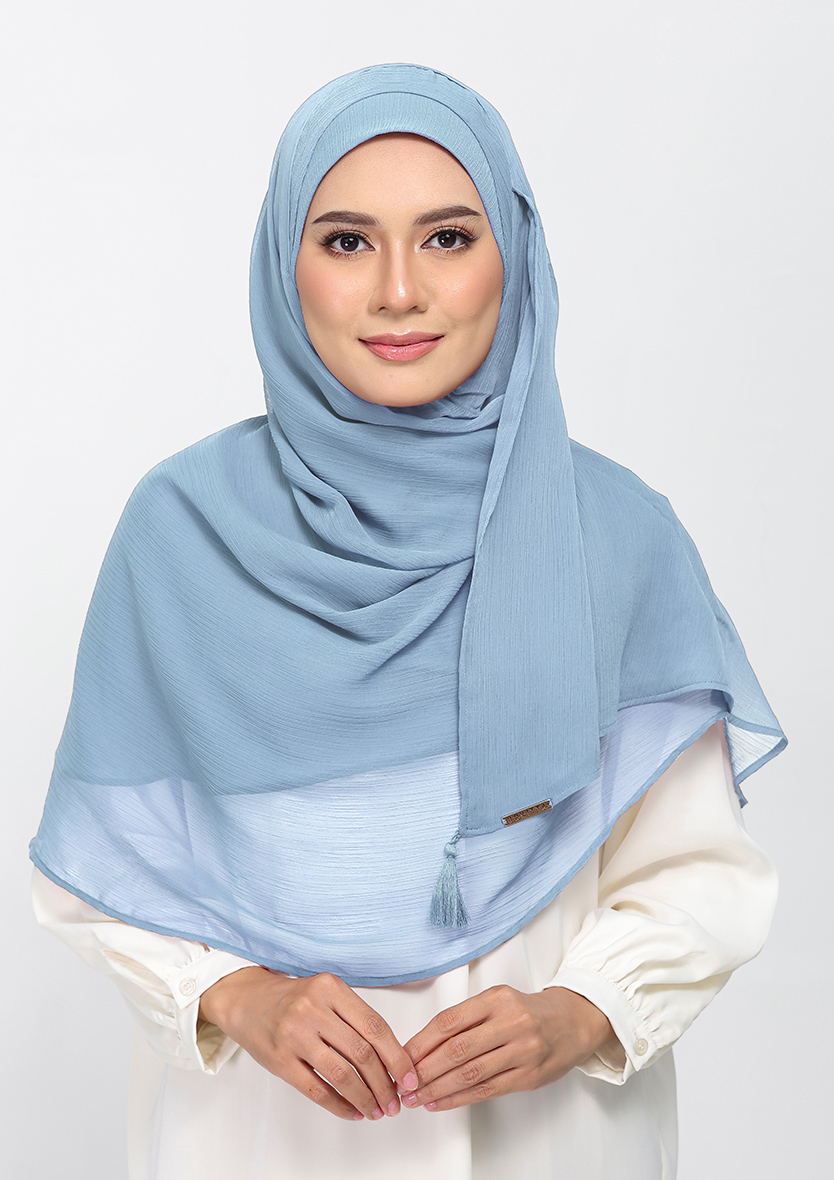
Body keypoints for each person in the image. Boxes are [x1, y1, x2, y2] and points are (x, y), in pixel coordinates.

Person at [29, 64, 785, 1180]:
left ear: (511, 256)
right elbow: (103, 862)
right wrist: (235, 993)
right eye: (346, 241)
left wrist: (584, 1009)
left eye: (447, 239)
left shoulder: (616, 536)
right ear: (283, 263)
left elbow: (699, 868)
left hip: (551, 1141)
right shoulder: (183, 531)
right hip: (258, 1141)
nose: (397, 291)